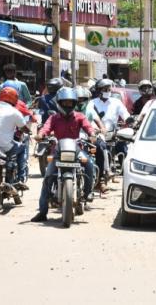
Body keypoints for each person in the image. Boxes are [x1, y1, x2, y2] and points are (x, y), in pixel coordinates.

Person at [31, 88, 97, 222]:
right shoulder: (54, 117)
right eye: (64, 103)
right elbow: (46, 128)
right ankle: (42, 212)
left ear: (74, 103)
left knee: (89, 164)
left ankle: (88, 192)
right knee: (48, 177)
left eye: (70, 103)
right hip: (58, 151)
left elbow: (88, 127)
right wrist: (41, 135)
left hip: (77, 149)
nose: (67, 105)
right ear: (59, 103)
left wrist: (92, 135)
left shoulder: (79, 116)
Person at [87, 79, 131, 186]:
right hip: (97, 133)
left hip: (113, 132)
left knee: (123, 148)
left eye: (108, 88)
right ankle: (101, 177)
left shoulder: (116, 102)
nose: (107, 91)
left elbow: (125, 114)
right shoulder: (92, 103)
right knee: (100, 150)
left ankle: (127, 176)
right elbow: (89, 118)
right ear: (98, 90)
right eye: (104, 89)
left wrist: (130, 120)